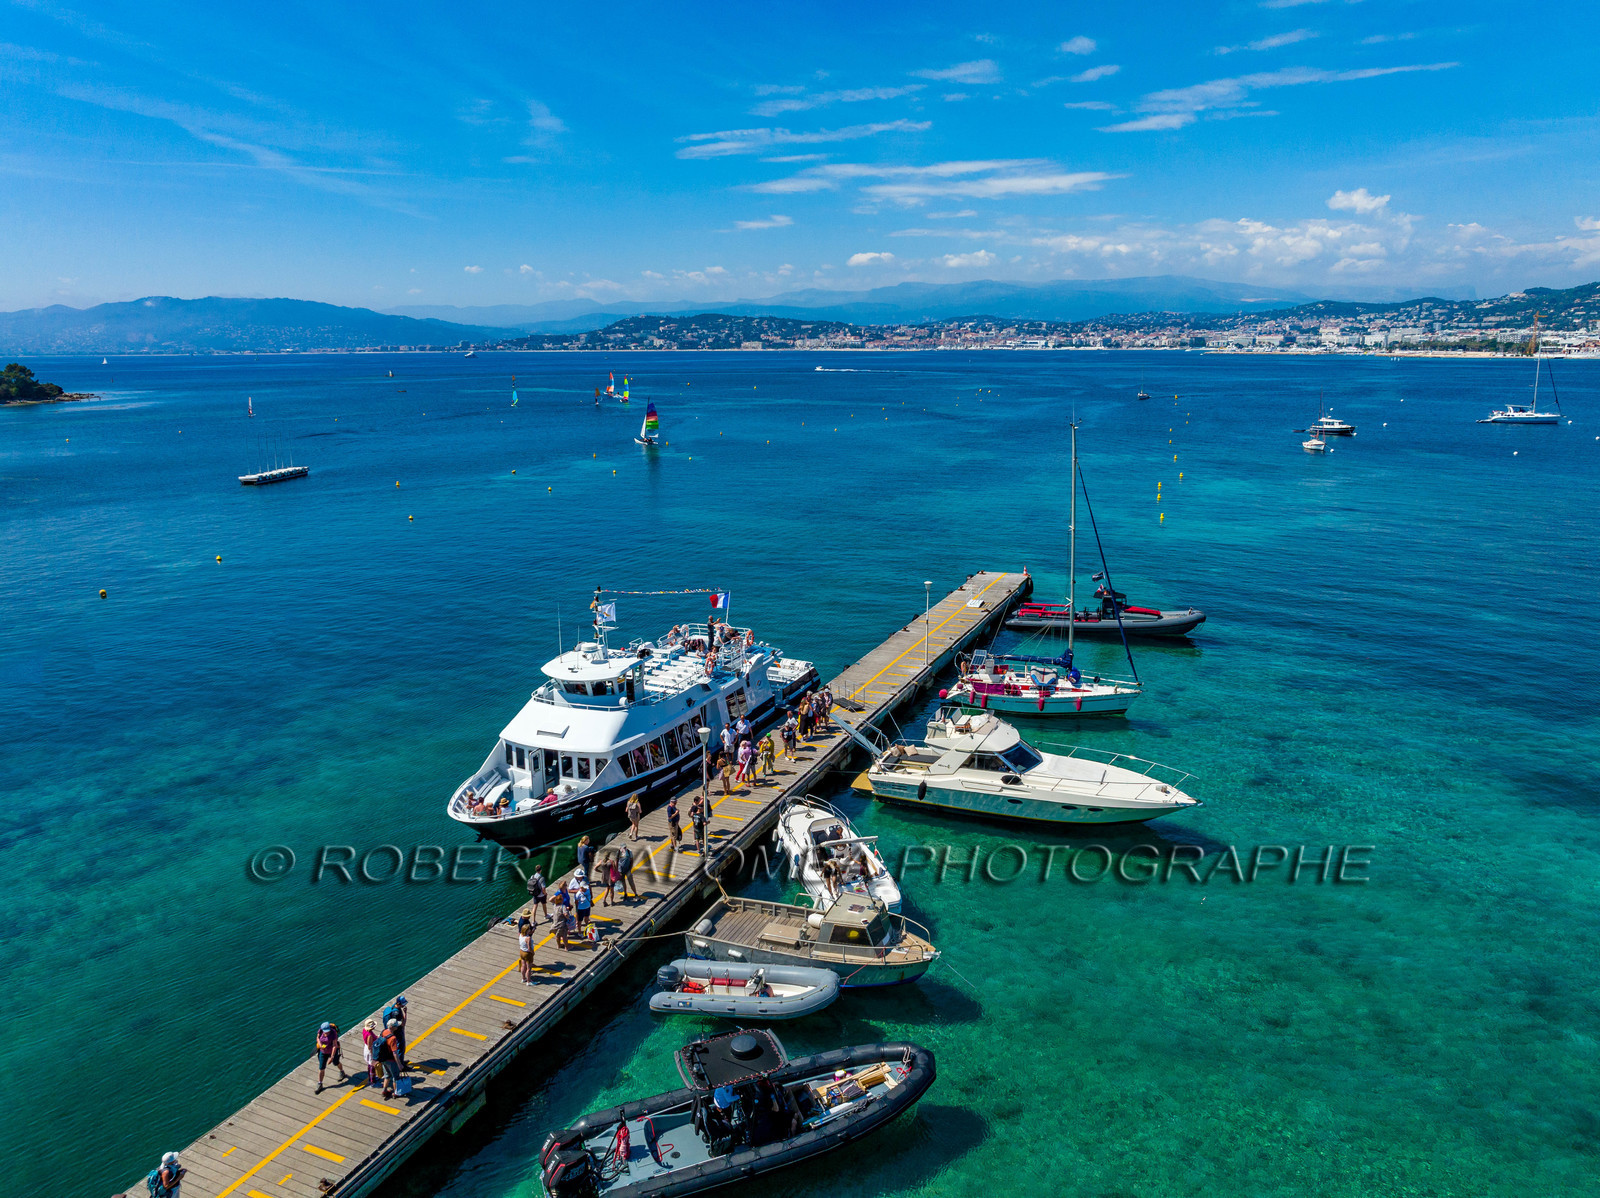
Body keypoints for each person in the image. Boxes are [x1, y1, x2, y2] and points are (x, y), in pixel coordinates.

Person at [314, 1021, 347, 1094]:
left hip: (332, 1051)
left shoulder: (333, 1033)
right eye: (325, 1032)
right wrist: (320, 1045)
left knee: (336, 1063)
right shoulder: (320, 1031)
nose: (327, 1033)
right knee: (321, 1067)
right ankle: (320, 1083)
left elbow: (335, 1045)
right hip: (323, 1052)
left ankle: (342, 1072)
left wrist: (332, 1057)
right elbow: (318, 1038)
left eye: (328, 1031)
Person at [374, 1020, 403, 1099]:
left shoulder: (384, 1031)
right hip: (391, 1060)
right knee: (395, 1077)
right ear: (392, 1027)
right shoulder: (393, 1038)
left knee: (387, 1075)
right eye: (396, 1025)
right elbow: (395, 1053)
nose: (397, 1026)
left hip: (383, 1059)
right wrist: (399, 1064)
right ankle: (396, 1093)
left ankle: (384, 1090)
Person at [381, 995, 410, 1069]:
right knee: (400, 1047)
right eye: (403, 1004)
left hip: (395, 1030)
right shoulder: (396, 1013)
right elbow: (403, 1024)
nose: (404, 1005)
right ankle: (400, 1065)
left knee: (399, 1048)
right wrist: (405, 1013)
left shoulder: (394, 1006)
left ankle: (401, 1061)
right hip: (398, 1032)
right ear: (399, 1003)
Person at [517, 910, 536, 986]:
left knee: (523, 965)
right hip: (527, 953)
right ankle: (529, 981)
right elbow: (529, 947)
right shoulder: (528, 938)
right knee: (529, 968)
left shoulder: (521, 935)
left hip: (521, 951)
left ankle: (523, 978)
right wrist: (532, 952)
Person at [361, 1019, 379, 1087]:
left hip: (366, 1048)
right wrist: (373, 1055)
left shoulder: (364, 1030)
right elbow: (370, 1046)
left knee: (369, 1064)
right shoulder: (370, 1035)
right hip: (370, 1051)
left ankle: (371, 1078)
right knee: (372, 1065)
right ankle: (373, 1082)